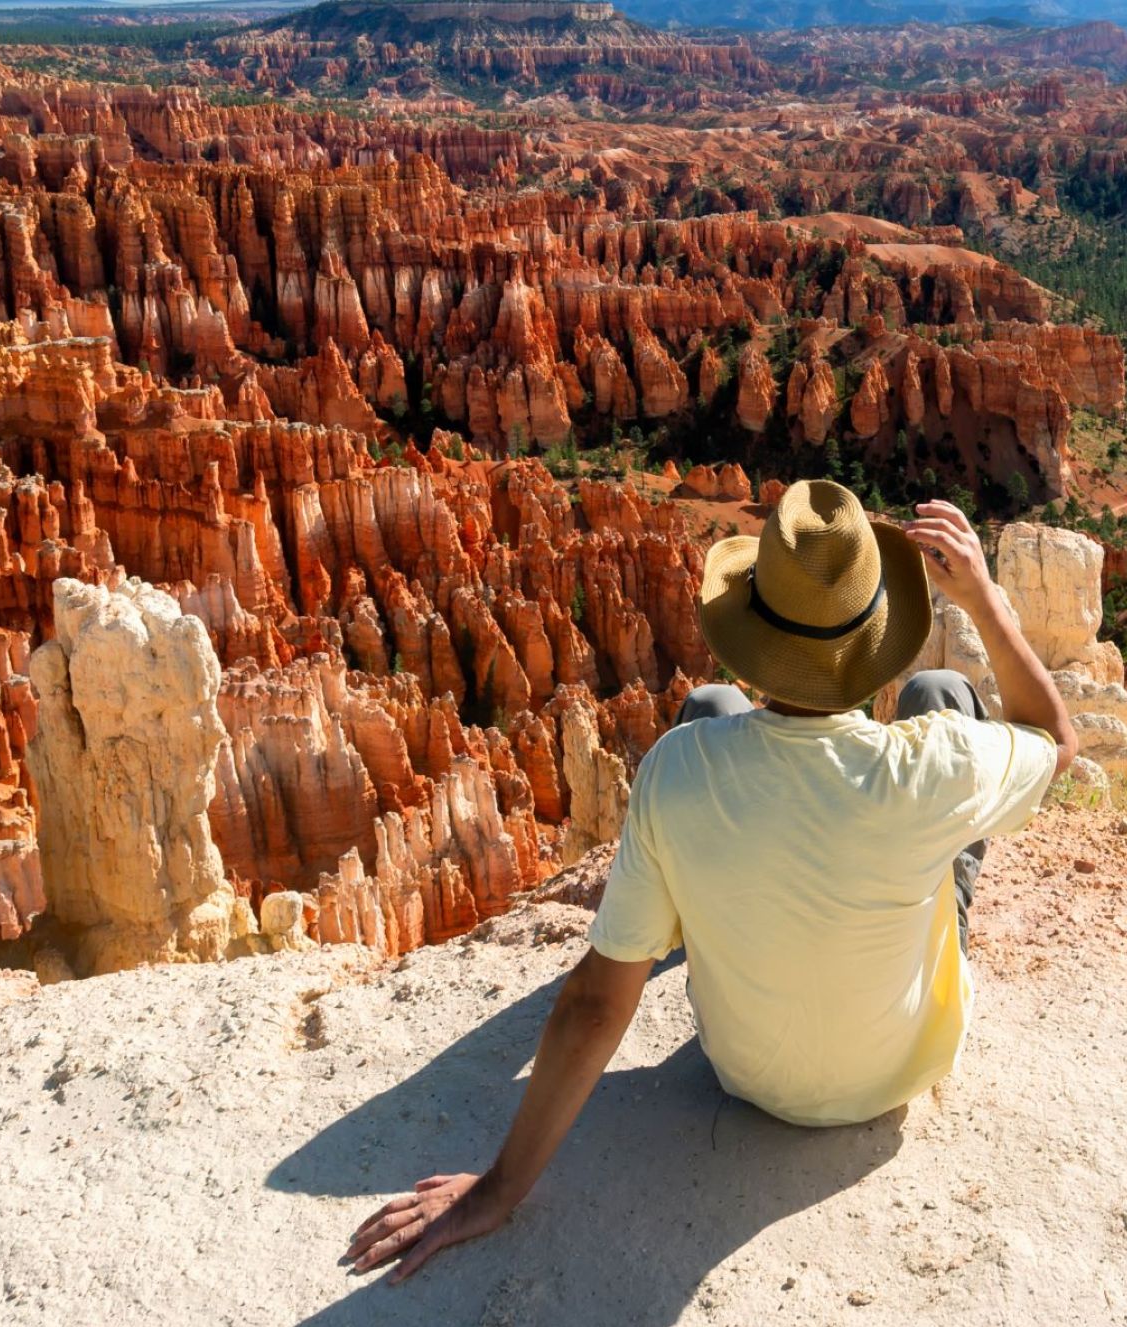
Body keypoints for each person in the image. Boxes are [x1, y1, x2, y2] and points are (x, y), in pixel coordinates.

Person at [342, 480, 1079, 1282]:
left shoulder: (676, 771)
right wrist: (984, 597)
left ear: (755, 631)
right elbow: (1055, 738)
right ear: (878, 638)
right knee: (947, 694)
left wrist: (500, 1186)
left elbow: (595, 1003)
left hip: (747, 1077)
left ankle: (696, 907)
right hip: (899, 1069)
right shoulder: (933, 763)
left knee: (708, 706)